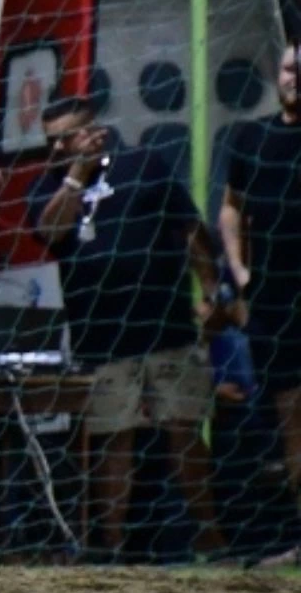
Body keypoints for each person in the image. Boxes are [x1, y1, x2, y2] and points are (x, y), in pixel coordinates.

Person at [29, 94, 225, 562]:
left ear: (94, 130)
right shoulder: (47, 185)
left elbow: (190, 229)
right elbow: (51, 233)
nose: (58, 147)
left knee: (183, 431)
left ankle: (211, 537)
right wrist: (75, 176)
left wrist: (211, 292)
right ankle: (115, 550)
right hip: (102, 337)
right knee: (114, 438)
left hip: (166, 327)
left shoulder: (144, 164)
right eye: (51, 140)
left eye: (67, 137)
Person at [219, 42, 301, 568]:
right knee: (292, 420)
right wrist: (239, 270)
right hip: (275, 303)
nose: (296, 78)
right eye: (292, 68)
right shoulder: (251, 137)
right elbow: (230, 208)